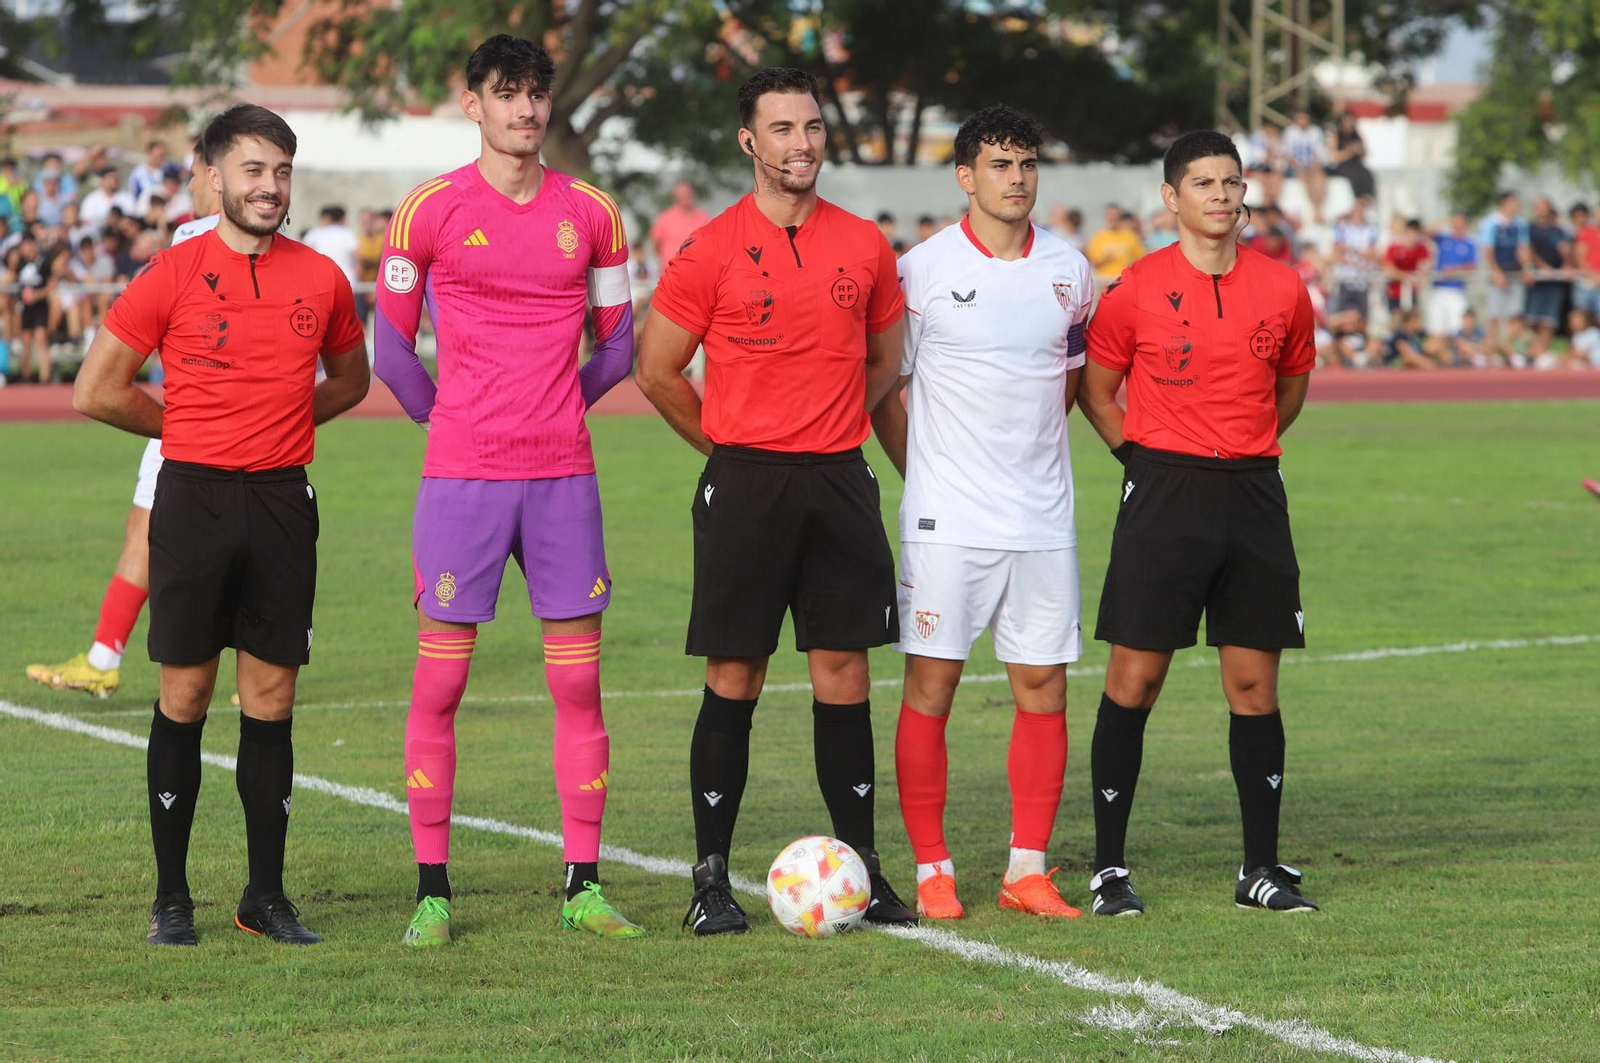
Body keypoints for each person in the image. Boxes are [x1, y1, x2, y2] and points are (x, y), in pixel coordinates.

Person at [71, 103, 369, 947]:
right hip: (194, 498)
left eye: (281, 172)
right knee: (186, 693)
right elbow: (96, 387)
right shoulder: (171, 271)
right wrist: (190, 427)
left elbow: (350, 379)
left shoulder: (320, 277)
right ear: (212, 176)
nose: (269, 187)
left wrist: (279, 422)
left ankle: (265, 897)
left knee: (271, 697)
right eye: (252, 170)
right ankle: (172, 898)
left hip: (281, 500)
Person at [372, 34, 641, 947]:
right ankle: (433, 892)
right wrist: (448, 422)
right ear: (472, 103)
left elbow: (619, 345)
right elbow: (389, 350)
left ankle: (584, 885)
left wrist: (559, 404)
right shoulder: (427, 211)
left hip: (564, 477)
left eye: (537, 94)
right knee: (438, 687)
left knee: (580, 689)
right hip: (462, 479)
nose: (526, 110)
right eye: (507, 94)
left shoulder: (595, 212)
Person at [635, 65, 917, 936]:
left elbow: (883, 365)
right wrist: (727, 446)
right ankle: (709, 879)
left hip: (838, 478)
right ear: (749, 142)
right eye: (784, 129)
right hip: (746, 481)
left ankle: (864, 872)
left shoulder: (864, 245)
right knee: (736, 674)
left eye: (813, 128)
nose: (803, 144)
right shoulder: (710, 248)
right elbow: (657, 369)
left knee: (845, 672)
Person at [1077, 130, 1318, 916]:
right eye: (1203, 183)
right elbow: (1098, 389)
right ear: (1170, 198)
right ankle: (1109, 869)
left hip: (1252, 494)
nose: (1220, 195)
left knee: (1254, 684)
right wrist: (1142, 462)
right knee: (1134, 681)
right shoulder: (1135, 287)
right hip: (1164, 492)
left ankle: (1261, 868)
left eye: (1231, 182)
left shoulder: (1284, 288)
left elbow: (1289, 388)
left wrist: (1242, 450)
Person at [872, 105, 1094, 921]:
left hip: (1042, 518)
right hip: (946, 520)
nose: (1018, 178)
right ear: (965, 176)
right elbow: (886, 396)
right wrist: (924, 476)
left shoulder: (1072, 271)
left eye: (1028, 163)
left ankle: (1026, 870)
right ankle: (934, 869)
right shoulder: (920, 271)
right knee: (932, 684)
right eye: (1001, 165)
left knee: (1043, 686)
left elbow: (1062, 387)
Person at [25, 152, 222, 699]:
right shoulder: (274, 236)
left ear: (213, 174)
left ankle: (106, 657)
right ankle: (104, 656)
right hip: (240, 415)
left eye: (192, 176)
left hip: (189, 410)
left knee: (167, 534)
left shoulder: (192, 237)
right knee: (177, 531)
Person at [1479, 191, 1530, 360]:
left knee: (1514, 314)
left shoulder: (1520, 224)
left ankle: (1507, 347)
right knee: (1495, 315)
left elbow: (1522, 248)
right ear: (1504, 204)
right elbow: (1488, 250)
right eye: (1513, 203)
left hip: (1515, 274)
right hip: (1498, 274)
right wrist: (1496, 272)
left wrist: (1526, 268)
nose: (1517, 207)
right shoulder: (1490, 223)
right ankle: (1488, 352)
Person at [1525, 196, 1571, 361]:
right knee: (1532, 321)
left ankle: (1542, 355)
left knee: (1548, 322)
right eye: (1537, 206)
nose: (1539, 209)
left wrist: (1566, 265)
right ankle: (1532, 353)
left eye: (1542, 206)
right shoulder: (1530, 229)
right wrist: (1540, 266)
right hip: (1537, 283)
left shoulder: (1557, 230)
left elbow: (1565, 249)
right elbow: (1527, 249)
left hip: (1554, 284)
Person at [1427, 213, 1478, 340]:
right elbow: (1428, 231)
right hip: (1439, 289)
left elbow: (1472, 266)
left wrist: (1454, 270)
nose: (1457, 226)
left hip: (1456, 290)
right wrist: (1446, 219)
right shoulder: (1445, 239)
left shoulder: (1470, 243)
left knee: (1457, 328)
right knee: (1437, 327)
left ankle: (1457, 357)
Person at [1330, 198, 1379, 318]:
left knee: (1363, 315)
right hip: (1347, 278)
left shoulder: (1371, 230)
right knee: (1343, 313)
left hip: (1363, 279)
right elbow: (1337, 252)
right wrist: (1356, 258)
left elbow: (1373, 254)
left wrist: (1352, 250)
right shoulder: (1342, 228)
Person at [649, 179, 710, 268]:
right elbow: (656, 245)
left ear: (692, 194)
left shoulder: (703, 217)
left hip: (697, 272)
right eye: (681, 195)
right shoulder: (664, 218)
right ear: (675, 197)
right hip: (671, 273)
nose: (684, 197)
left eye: (686, 194)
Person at [1281, 110, 1327, 222]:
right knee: (1306, 179)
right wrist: (1299, 165)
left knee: (1320, 178)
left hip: (1311, 166)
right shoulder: (1290, 132)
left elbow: (1320, 152)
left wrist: (1314, 165)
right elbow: (1286, 154)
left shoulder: (1315, 132)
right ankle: (1316, 210)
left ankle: (1318, 208)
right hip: (1296, 167)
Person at [1383, 219, 1430, 312]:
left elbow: (1425, 266)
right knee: (1397, 318)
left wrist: (1420, 278)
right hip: (1395, 291)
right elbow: (1388, 268)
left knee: (1411, 319)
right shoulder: (1394, 247)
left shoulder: (1421, 248)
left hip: (1412, 291)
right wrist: (1406, 277)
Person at [1086, 205, 1144, 282]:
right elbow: (1094, 263)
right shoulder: (1098, 237)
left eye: (1115, 215)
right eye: (1110, 215)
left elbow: (1140, 260)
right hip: (1104, 282)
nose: (1113, 218)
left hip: (1125, 280)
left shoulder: (1131, 236)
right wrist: (1106, 258)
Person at [1326, 112, 1375, 201]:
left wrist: (1359, 150)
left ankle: (1366, 198)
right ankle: (1357, 199)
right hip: (1343, 166)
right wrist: (1349, 151)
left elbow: (1365, 152)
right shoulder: (1336, 136)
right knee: (1352, 175)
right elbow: (1334, 156)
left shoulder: (1357, 136)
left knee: (1366, 174)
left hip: (1357, 165)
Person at [1571, 203, 1600, 319]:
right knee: (1583, 318)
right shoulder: (1586, 233)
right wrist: (1593, 276)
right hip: (1586, 282)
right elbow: (1580, 257)